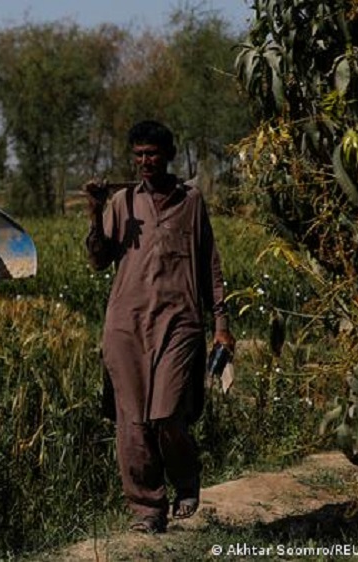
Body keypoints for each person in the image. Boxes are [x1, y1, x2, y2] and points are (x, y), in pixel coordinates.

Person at [83, 120, 236, 534]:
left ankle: (186, 476)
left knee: (168, 414)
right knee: (131, 422)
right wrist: (96, 212)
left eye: (152, 154)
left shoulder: (191, 200)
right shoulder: (122, 203)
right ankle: (148, 509)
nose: (144, 162)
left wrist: (221, 323)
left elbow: (210, 265)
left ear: (168, 154)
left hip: (180, 321)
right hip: (126, 325)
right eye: (137, 156)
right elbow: (98, 260)